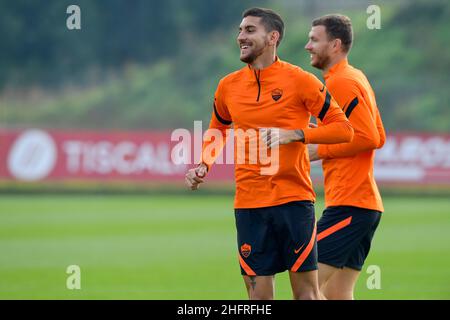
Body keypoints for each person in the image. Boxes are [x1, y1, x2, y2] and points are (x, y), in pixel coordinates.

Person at [185, 8, 354, 300]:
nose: (240, 37)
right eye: (240, 30)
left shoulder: (301, 81)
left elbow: (344, 129)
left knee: (306, 295)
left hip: (293, 201)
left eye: (250, 30)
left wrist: (296, 134)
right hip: (249, 204)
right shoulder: (228, 86)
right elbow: (218, 129)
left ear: (272, 37)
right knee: (258, 299)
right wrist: (204, 164)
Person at [304, 14, 386, 300]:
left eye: (314, 39)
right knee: (338, 294)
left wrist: (321, 149)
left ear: (335, 44)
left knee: (306, 289)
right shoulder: (356, 76)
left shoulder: (341, 83)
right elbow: (378, 136)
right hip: (362, 206)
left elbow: (369, 138)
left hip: (350, 206)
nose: (307, 46)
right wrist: (324, 134)